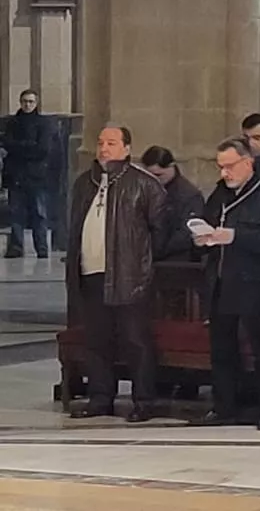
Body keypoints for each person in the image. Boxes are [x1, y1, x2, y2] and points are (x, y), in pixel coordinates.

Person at [66, 125, 169, 421]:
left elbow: (160, 233)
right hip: (90, 273)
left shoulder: (144, 185)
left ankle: (144, 401)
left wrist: (141, 262)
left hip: (129, 275)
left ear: (126, 148)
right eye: (100, 142)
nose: (103, 148)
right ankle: (100, 397)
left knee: (135, 341)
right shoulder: (84, 183)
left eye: (111, 143)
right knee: (96, 340)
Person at [194, 137, 260, 430]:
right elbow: (209, 225)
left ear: (248, 163)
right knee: (221, 348)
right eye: (220, 167)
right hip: (221, 280)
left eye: (230, 166)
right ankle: (224, 405)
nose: (224, 173)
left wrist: (236, 236)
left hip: (253, 282)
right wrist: (203, 238)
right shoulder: (219, 195)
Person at [4, 89, 52, 257]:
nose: (27, 104)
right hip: (16, 175)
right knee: (16, 213)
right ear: (20, 102)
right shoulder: (12, 123)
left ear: (36, 103)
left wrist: (20, 148)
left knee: (39, 213)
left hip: (37, 176)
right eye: (25, 101)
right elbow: (7, 144)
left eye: (31, 101)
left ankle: (42, 248)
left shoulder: (44, 124)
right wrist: (29, 146)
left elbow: (43, 149)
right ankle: (16, 247)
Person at [139, 146, 206, 261]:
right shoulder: (145, 190)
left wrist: (156, 251)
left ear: (171, 166)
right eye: (149, 176)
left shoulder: (189, 195)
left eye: (158, 175)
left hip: (177, 261)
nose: (154, 180)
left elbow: (186, 232)